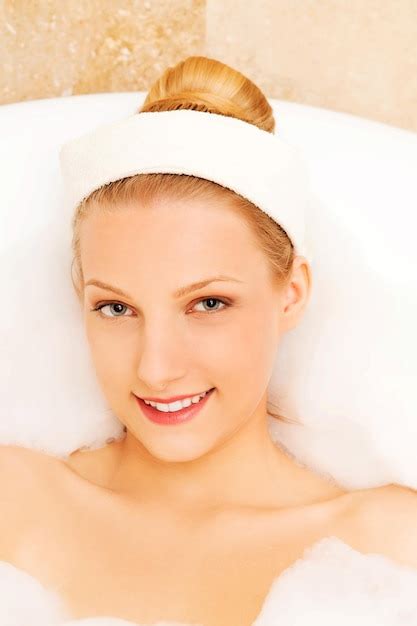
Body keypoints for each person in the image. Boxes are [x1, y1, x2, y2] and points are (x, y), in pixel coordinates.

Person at [1, 55, 417, 626]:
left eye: (208, 304)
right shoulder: (14, 500)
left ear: (292, 293)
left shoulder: (388, 549)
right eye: (116, 307)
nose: (156, 368)